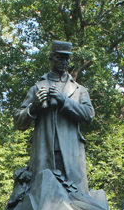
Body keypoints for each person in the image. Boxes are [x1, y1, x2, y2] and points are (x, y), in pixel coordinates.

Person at [14, 40, 95, 193]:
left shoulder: (79, 90)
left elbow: (88, 115)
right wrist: (34, 106)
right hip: (43, 153)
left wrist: (64, 101)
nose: (64, 62)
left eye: (67, 58)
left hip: (70, 154)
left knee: (74, 199)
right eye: (60, 58)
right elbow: (19, 122)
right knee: (43, 196)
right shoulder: (36, 88)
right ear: (51, 58)